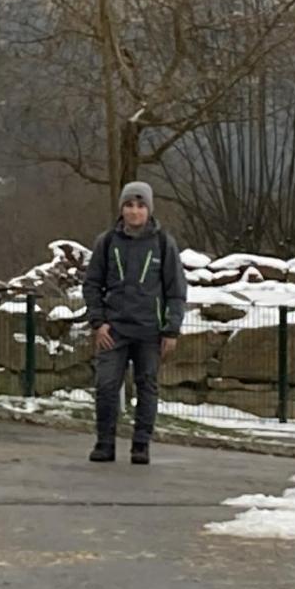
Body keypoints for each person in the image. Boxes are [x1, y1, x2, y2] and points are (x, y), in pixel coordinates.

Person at [82, 181, 187, 465]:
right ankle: (104, 443)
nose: (134, 211)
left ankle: (141, 444)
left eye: (140, 206)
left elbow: (176, 291)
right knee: (105, 386)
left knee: (147, 386)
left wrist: (171, 329)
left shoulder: (164, 244)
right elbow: (91, 285)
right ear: (122, 209)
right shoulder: (106, 242)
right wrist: (98, 322)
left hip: (150, 331)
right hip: (113, 330)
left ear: (149, 209)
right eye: (129, 205)